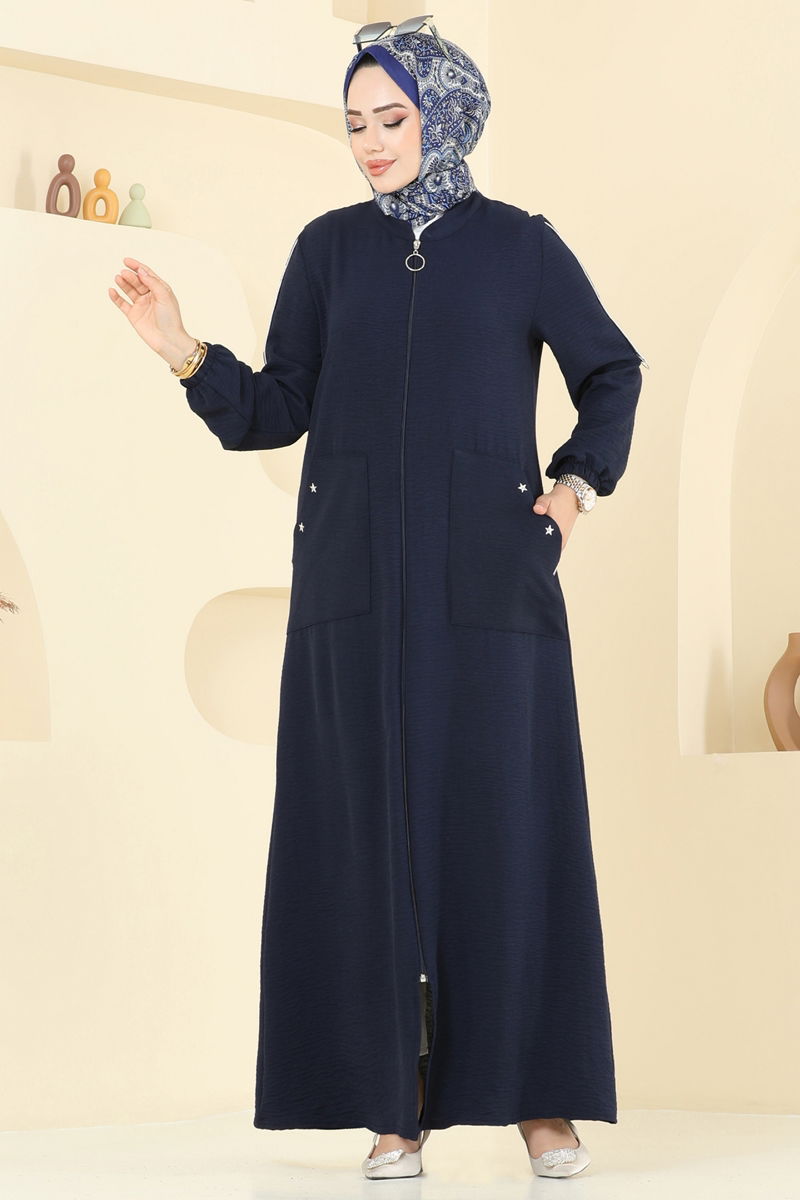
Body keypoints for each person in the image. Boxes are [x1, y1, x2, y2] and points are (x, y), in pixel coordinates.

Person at [108, 16, 647, 1182]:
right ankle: (388, 1106)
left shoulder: (519, 246)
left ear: (443, 115)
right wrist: (183, 350)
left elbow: (611, 370)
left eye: (391, 118)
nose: (370, 142)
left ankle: (537, 1101)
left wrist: (570, 491)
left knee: (505, 833)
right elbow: (274, 409)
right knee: (359, 839)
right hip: (350, 587)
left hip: (489, 588)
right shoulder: (328, 250)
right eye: (353, 123)